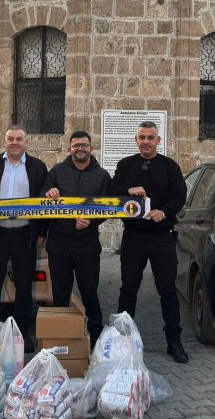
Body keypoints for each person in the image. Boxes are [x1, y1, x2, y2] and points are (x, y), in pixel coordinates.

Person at [111, 121, 190, 363]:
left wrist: (164, 212)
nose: (146, 141)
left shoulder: (169, 166)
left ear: (158, 140)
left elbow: (180, 196)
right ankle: (123, 341)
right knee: (128, 289)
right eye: (142, 137)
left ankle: (174, 341)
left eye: (151, 137)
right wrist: (127, 190)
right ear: (136, 140)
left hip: (161, 237)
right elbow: (112, 189)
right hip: (133, 236)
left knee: (167, 290)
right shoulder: (125, 165)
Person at [0, 125, 48, 352]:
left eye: (19, 139)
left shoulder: (37, 166)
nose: (15, 142)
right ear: (4, 141)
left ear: (26, 142)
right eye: (10, 139)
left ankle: (22, 332)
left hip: (25, 235)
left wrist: (41, 231)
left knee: (24, 286)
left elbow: (44, 200)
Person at [40, 130, 110, 344]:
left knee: (90, 292)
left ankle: (96, 336)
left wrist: (91, 221)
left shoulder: (102, 176)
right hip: (59, 242)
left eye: (84, 145)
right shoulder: (57, 171)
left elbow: (107, 208)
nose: (80, 148)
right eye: (76, 145)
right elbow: (41, 196)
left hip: (87, 243)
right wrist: (49, 193)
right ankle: (62, 337)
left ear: (91, 148)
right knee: (60, 294)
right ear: (69, 148)